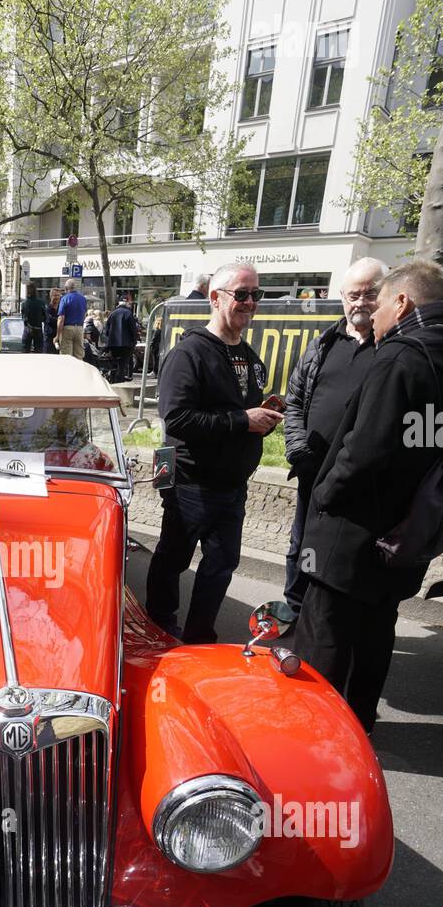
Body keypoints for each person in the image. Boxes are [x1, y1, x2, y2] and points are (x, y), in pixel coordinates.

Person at [294, 260, 443, 733]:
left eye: (378, 304)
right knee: (376, 634)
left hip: (352, 535)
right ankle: (357, 728)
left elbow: (364, 450)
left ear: (402, 303)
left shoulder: (401, 356)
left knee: (326, 638)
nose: (372, 315)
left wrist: (323, 494)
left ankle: (318, 737)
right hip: (407, 535)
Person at [145, 263, 281, 643]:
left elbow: (243, 411)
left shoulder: (251, 358)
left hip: (233, 486)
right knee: (173, 558)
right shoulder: (189, 353)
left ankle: (199, 636)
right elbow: (177, 418)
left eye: (256, 294)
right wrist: (242, 420)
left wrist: (263, 418)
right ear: (215, 298)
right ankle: (158, 625)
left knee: (221, 566)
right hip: (190, 482)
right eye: (242, 294)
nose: (250, 302)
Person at [282, 258, 387, 616]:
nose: (359, 302)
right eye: (352, 295)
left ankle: (326, 621)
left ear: (385, 295)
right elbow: (293, 401)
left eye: (369, 293)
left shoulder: (393, 349)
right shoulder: (323, 344)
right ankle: (293, 614)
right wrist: (298, 450)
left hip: (361, 483)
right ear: (341, 297)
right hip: (313, 473)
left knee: (343, 555)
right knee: (300, 545)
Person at [101, 293, 140, 382]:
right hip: (126, 345)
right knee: (122, 366)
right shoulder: (128, 314)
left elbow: (106, 330)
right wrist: (134, 341)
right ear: (127, 303)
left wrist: (108, 342)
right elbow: (133, 330)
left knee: (114, 365)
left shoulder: (112, 314)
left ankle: (113, 380)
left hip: (113, 344)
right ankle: (119, 382)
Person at [55, 278, 87, 359]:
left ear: (66, 288)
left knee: (66, 357)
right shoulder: (83, 299)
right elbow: (84, 315)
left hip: (67, 328)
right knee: (79, 356)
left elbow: (61, 318)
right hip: (79, 328)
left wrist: (57, 336)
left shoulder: (65, 298)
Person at [21, 282, 47, 353]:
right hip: (38, 329)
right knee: (38, 352)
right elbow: (45, 318)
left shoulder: (24, 303)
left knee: (25, 351)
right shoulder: (41, 303)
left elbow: (24, 318)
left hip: (28, 329)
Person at [43, 287, 61, 354]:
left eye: (58, 295)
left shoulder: (61, 308)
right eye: (55, 295)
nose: (56, 297)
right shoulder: (47, 309)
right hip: (49, 339)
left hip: (59, 338)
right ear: (51, 296)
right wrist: (60, 320)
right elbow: (50, 320)